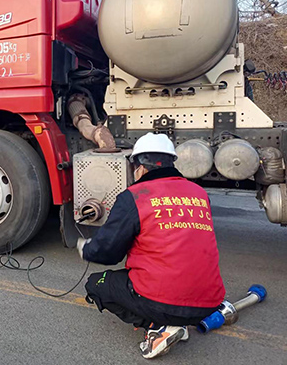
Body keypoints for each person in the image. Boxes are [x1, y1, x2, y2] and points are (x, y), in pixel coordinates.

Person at [76, 133, 225, 359]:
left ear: (140, 167)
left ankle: (159, 328)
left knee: (97, 284)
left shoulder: (135, 196)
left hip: (164, 302)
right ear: (171, 163)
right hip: (210, 302)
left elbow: (107, 252)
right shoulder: (199, 194)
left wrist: (86, 248)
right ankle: (177, 323)